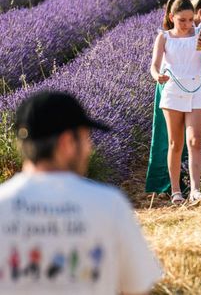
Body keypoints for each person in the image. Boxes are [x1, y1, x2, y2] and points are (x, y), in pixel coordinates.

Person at [0, 91, 161, 293]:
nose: (89, 149)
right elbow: (137, 286)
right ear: (67, 142)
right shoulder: (108, 204)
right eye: (86, 138)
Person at [146, 0, 201, 194]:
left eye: (190, 19)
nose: (188, 24)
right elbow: (154, 66)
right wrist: (157, 76)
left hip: (197, 90)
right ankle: (176, 191)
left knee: (195, 141)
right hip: (173, 92)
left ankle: (196, 190)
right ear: (172, 17)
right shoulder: (164, 37)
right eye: (182, 20)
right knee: (175, 144)